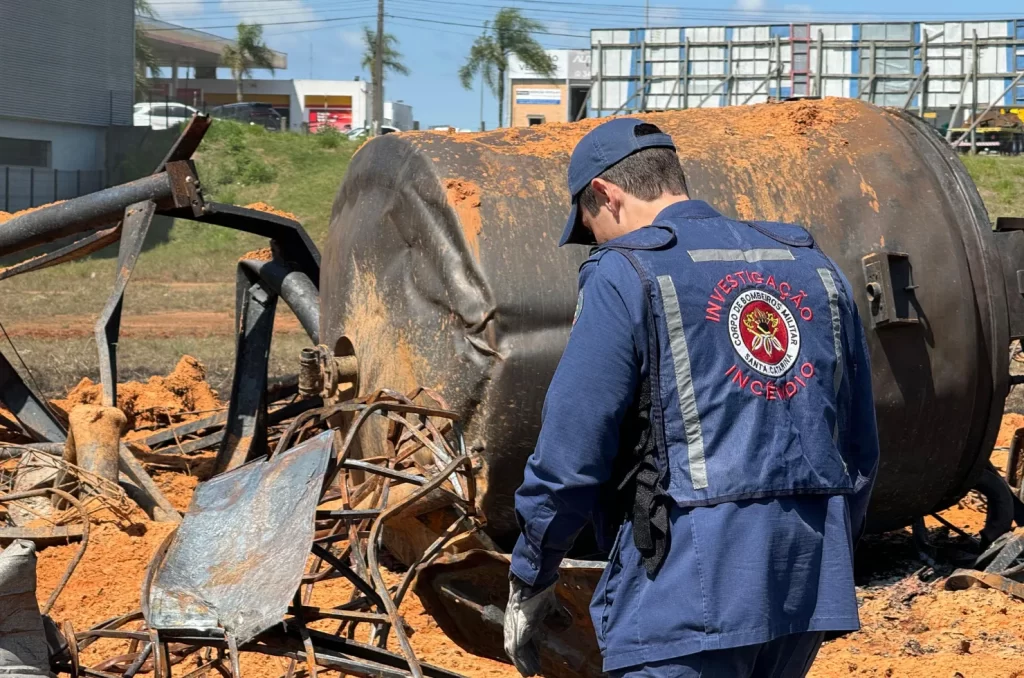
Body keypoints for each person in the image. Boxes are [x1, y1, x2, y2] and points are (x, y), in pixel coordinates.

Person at [502, 118, 879, 678]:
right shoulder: (811, 265)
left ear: (606, 194)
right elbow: (857, 447)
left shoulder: (624, 272)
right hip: (805, 586)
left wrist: (531, 573)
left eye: (592, 226)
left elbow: (570, 454)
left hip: (685, 593)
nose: (601, 241)